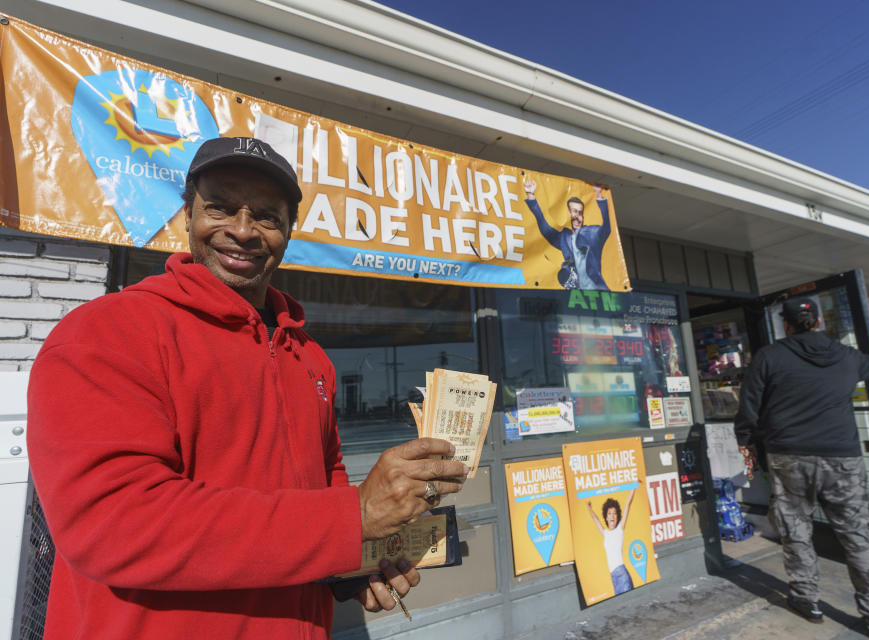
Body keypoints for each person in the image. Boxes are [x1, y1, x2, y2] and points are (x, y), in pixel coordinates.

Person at [26, 136, 468, 640]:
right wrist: (351, 519)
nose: (242, 231)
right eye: (219, 207)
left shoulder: (311, 358)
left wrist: (347, 564)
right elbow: (113, 525)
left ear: (287, 232)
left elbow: (326, 478)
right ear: (187, 213)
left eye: (265, 216)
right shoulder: (106, 333)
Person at [734, 297, 869, 640]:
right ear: (819, 322)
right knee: (857, 534)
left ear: (786, 325)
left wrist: (745, 439)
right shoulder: (846, 356)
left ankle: (807, 599)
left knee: (796, 528)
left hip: (788, 455)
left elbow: (749, 405)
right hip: (842, 457)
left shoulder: (770, 356)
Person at [522, 180, 611, 290]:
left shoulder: (592, 233)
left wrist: (599, 197)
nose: (577, 216)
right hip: (576, 294)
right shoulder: (565, 237)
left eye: (580, 212)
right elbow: (545, 229)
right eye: (574, 211)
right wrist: (531, 195)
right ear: (569, 213)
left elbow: (606, 227)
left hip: (599, 292)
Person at [586, 490, 636, 594]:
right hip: (613, 577)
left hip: (622, 575)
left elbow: (628, 504)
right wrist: (589, 507)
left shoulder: (620, 529)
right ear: (606, 517)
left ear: (617, 517)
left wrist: (633, 487)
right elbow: (595, 519)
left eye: (614, 513)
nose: (612, 516)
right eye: (609, 513)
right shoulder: (605, 533)